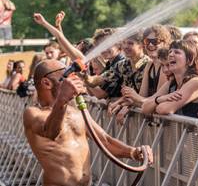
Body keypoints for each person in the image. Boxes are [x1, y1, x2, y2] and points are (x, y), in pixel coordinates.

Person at [23, 59, 153, 186]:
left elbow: (105, 141)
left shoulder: (75, 111)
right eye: (64, 74)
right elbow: (51, 132)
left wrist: (133, 152)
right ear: (46, 83)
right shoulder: (32, 113)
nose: (71, 78)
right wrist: (62, 99)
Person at [141, 40, 198, 118]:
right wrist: (160, 99)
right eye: (170, 52)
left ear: (189, 60)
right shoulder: (171, 82)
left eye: (177, 52)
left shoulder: (197, 82)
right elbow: (145, 107)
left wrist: (156, 103)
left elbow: (163, 109)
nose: (171, 54)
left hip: (192, 130)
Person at [118, 25, 171, 107]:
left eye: (155, 41)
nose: (150, 44)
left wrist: (134, 96)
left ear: (165, 43)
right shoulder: (149, 65)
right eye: (147, 41)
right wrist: (124, 103)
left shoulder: (165, 67)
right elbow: (143, 96)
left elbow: (157, 100)